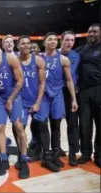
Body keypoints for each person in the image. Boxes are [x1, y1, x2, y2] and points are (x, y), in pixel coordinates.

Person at [0, 34, 29, 178]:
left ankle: (23, 160)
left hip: (13, 96)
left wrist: (10, 99)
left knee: (18, 126)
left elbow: (20, 81)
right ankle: (3, 158)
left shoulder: (10, 58)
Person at [16, 35, 59, 172]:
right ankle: (21, 157)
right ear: (18, 46)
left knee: (42, 125)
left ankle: (46, 158)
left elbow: (42, 83)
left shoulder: (38, 61)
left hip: (37, 99)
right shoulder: (14, 61)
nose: (26, 45)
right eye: (23, 43)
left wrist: (38, 102)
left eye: (28, 43)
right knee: (18, 127)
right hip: (21, 101)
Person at [42, 32, 78, 168]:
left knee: (56, 125)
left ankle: (56, 155)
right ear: (44, 42)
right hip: (43, 95)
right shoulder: (38, 58)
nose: (52, 41)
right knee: (42, 124)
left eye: (54, 39)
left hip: (57, 95)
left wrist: (73, 100)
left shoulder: (63, 59)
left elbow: (69, 81)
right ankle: (46, 155)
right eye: (49, 39)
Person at [75, 23, 101, 168]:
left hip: (99, 89)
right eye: (90, 32)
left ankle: (99, 155)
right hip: (84, 92)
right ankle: (85, 154)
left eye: (95, 32)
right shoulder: (80, 50)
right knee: (84, 125)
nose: (91, 34)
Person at [58, 31, 80, 166]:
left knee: (72, 124)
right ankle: (56, 150)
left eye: (72, 40)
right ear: (61, 40)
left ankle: (72, 154)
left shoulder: (76, 56)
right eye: (67, 40)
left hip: (71, 93)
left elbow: (77, 74)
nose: (69, 43)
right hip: (56, 93)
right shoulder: (53, 54)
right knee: (55, 124)